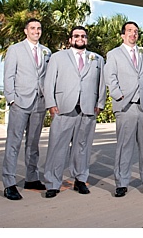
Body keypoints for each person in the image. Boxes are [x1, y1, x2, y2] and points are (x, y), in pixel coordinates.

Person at [41, 26, 106, 198]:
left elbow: (102, 83)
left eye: (83, 36)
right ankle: (53, 184)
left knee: (83, 147)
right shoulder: (57, 57)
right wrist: (51, 103)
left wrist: (99, 103)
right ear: (70, 39)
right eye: (76, 36)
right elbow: (49, 82)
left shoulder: (97, 59)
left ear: (86, 39)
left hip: (88, 108)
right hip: (63, 107)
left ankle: (80, 180)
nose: (80, 38)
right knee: (57, 147)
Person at [104, 21, 143, 197]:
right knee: (124, 146)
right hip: (126, 105)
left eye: (136, 31)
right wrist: (118, 96)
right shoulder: (114, 54)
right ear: (122, 35)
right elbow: (110, 77)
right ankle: (121, 182)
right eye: (130, 31)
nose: (133, 34)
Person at [1, 18, 51, 200]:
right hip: (20, 102)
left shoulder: (47, 51)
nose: (36, 31)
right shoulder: (15, 50)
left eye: (38, 28)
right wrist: (11, 99)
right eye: (32, 28)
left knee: (33, 144)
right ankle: (9, 183)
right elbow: (9, 76)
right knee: (13, 143)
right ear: (25, 31)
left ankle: (31, 178)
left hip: (39, 103)